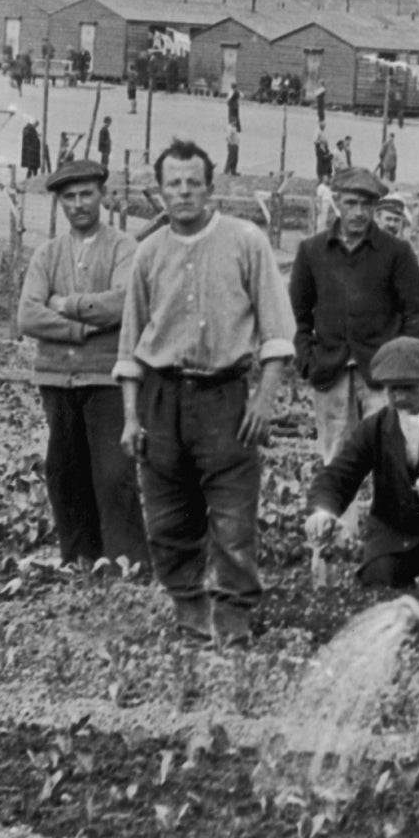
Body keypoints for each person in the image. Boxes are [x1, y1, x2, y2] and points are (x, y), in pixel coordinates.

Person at [115, 140, 295, 645]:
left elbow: (277, 331)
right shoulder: (148, 253)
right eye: (174, 183)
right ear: (160, 192)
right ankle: (189, 619)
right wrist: (132, 416)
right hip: (161, 397)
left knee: (234, 517)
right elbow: (131, 344)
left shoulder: (245, 240)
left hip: (225, 398)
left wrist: (263, 399)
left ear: (210, 188)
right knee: (169, 517)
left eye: (194, 182)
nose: (184, 192)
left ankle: (234, 624)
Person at [18, 159, 147, 568]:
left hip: (106, 375)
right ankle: (80, 558)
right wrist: (82, 328)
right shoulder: (47, 254)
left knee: (112, 472)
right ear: (59, 203)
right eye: (69, 197)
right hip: (56, 377)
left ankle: (126, 559)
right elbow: (28, 316)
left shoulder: (123, 247)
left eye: (86, 194)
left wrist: (67, 305)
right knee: (64, 470)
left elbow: (125, 303)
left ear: (102, 196)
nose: (78, 204)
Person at [304, 337, 419, 589]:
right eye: (392, 389)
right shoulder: (375, 427)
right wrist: (322, 511)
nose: (399, 396)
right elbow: (339, 474)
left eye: (408, 387)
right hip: (397, 532)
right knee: (379, 579)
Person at [290, 167, 419, 475]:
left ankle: (388, 523)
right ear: (337, 202)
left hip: (382, 378)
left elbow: (418, 313)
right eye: (351, 203)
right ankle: (342, 524)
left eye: (367, 205)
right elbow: (297, 316)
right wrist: (307, 359)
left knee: (392, 458)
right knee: (337, 462)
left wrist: (402, 364)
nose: (358, 212)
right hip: (330, 373)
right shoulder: (312, 251)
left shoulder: (396, 252)